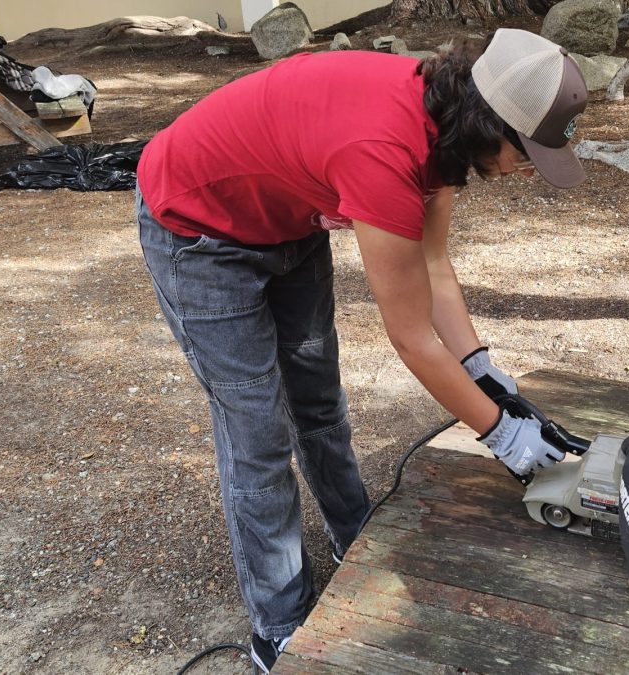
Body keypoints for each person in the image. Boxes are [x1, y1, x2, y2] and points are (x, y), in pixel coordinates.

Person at [134, 28, 588, 673]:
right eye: (526, 153)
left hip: (289, 218)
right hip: (199, 228)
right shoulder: (381, 153)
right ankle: (279, 622)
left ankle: (355, 534)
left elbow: (433, 265)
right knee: (258, 434)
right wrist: (503, 436)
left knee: (317, 398)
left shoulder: (449, 120)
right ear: (492, 125)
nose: (524, 170)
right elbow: (409, 335)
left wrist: (488, 378)